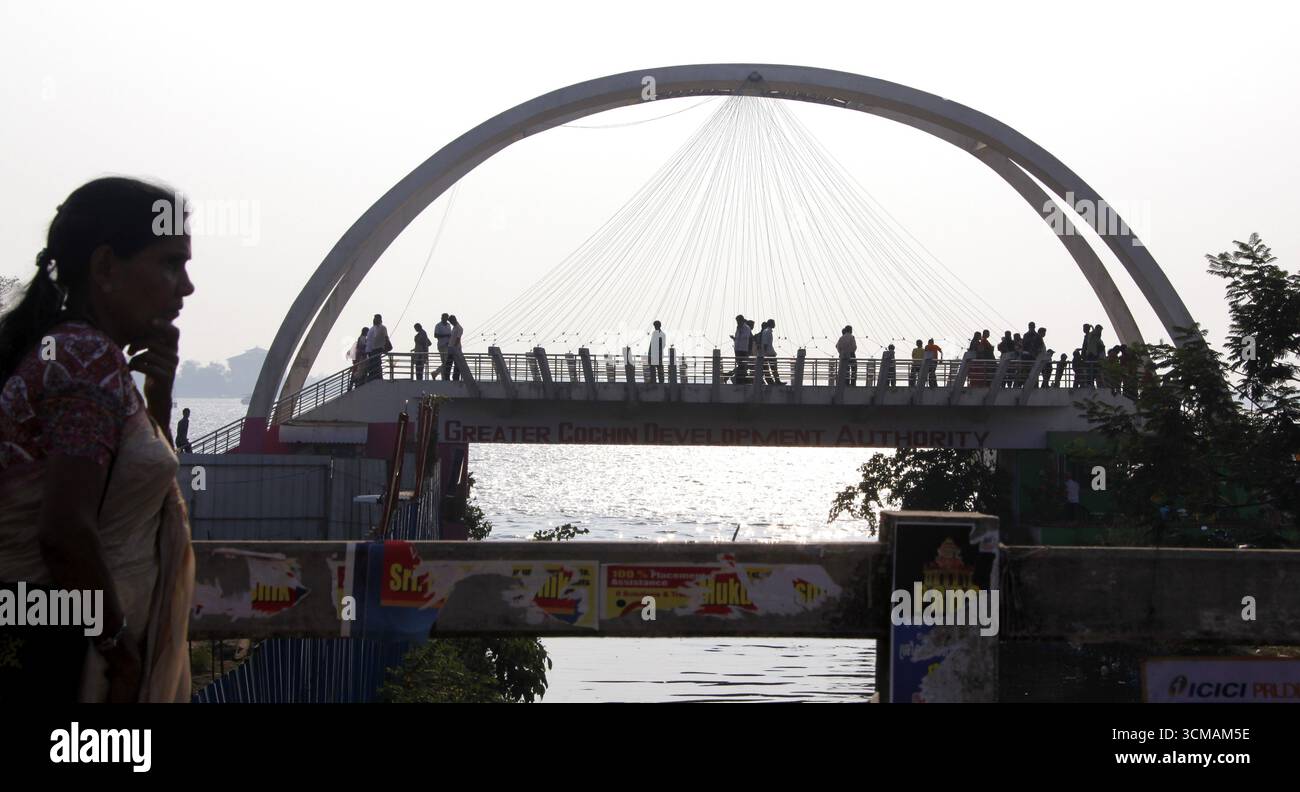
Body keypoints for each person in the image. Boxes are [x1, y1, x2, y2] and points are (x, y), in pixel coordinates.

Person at [0, 177, 195, 703]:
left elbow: (128, 496)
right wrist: (118, 651)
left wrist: (158, 396)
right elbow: (65, 533)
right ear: (106, 267)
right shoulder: (85, 358)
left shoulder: (67, 350)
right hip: (62, 659)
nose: (187, 287)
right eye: (171, 263)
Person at [364, 313, 390, 383]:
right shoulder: (372, 328)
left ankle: (378, 377)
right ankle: (373, 377)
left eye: (376, 318)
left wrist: (387, 347)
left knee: (377, 363)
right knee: (372, 364)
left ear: (380, 319)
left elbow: (386, 337)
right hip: (370, 350)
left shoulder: (382, 327)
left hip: (378, 348)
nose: (374, 320)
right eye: (374, 318)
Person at [729, 315, 751, 384]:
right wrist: (734, 338)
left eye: (738, 321)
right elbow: (738, 338)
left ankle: (735, 377)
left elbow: (745, 337)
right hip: (737, 349)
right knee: (740, 364)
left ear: (742, 320)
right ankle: (739, 379)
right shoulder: (738, 328)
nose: (737, 322)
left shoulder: (746, 328)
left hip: (743, 349)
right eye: (737, 321)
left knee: (743, 365)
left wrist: (740, 330)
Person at [348, 326, 369, 391]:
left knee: (356, 371)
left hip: (359, 358)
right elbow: (363, 347)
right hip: (360, 358)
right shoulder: (362, 338)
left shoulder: (361, 338)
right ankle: (353, 385)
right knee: (358, 371)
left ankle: (352, 385)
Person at [434, 313, 453, 380]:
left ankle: (440, 375)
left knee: (445, 362)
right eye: (444, 317)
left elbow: (450, 335)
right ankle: (437, 373)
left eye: (446, 317)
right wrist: (445, 335)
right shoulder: (438, 325)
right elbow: (435, 335)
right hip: (441, 345)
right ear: (442, 317)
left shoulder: (448, 325)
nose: (445, 318)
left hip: (448, 345)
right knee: (445, 362)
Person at [447, 315, 464, 381]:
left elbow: (458, 339)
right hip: (451, 347)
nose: (451, 323)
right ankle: (447, 377)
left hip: (456, 348)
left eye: (451, 321)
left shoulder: (459, 328)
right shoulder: (454, 327)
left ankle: (455, 377)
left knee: (456, 364)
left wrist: (454, 347)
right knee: (449, 363)